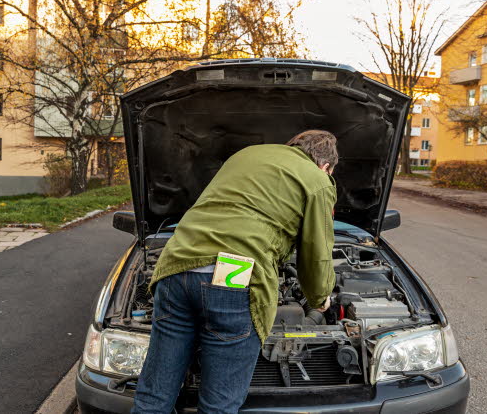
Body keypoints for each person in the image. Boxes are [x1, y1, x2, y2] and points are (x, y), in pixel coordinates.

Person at [132, 130, 338, 414]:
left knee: (153, 397)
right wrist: (319, 298)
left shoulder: (245, 155)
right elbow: (316, 252)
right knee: (218, 406)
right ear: (326, 166)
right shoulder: (318, 180)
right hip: (234, 272)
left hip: (176, 263)